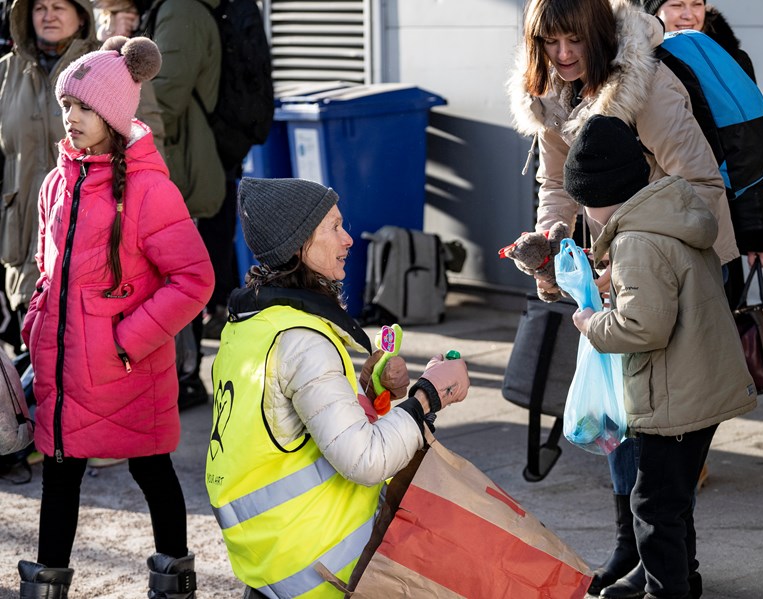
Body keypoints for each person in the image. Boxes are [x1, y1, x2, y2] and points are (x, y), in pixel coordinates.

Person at [507, 1, 736, 595]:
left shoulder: (648, 84)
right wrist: (556, 237)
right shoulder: (553, 94)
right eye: (549, 43)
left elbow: (702, 186)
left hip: (672, 270)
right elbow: (557, 184)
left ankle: (665, 566)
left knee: (660, 429)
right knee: (622, 416)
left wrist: (640, 256)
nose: (562, 55)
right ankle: (639, 553)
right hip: (616, 270)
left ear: (600, 34)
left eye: (573, 41)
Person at [15, 36, 213, 597]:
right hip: (64, 362)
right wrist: (35, 320)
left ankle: (174, 573)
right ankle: (46, 582)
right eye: (67, 106)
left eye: (83, 108)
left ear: (115, 116)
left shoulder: (151, 190)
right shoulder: (57, 182)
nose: (71, 118)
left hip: (128, 367)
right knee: (59, 471)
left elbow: (195, 279)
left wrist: (131, 338)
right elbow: (46, 266)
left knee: (151, 467)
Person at [206, 177, 471, 599]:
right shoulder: (303, 339)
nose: (348, 239)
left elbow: (284, 432)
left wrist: (364, 394)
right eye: (333, 227)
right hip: (319, 564)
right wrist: (429, 395)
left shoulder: (251, 327)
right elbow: (365, 459)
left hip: (271, 557)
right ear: (298, 245)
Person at [566, 114, 755, 599]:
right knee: (674, 501)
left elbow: (643, 326)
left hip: (672, 398)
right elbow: (666, 290)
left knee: (651, 506)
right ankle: (681, 581)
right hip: (700, 387)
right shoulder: (669, 216)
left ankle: (665, 591)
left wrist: (592, 323)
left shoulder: (635, 242)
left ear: (598, 197)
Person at [0, 0, 163, 349]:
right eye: (39, 7)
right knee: (35, 360)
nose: (48, 15)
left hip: (98, 238)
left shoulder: (110, 68)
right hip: (25, 235)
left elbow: (147, 138)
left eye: (59, 5)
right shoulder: (7, 72)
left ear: (81, 14)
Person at [640, 0, 763, 307]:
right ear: (652, 11)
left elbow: (748, 153)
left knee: (718, 318)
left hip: (720, 215)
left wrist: (759, 234)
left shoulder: (730, 59)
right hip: (656, 214)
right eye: (677, 4)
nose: (689, 14)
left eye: (697, 4)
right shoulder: (637, 62)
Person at [136, 0, 225, 408]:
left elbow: (164, 97)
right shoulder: (173, 7)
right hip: (175, 161)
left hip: (179, 164)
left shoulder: (182, 10)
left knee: (174, 274)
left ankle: (184, 376)